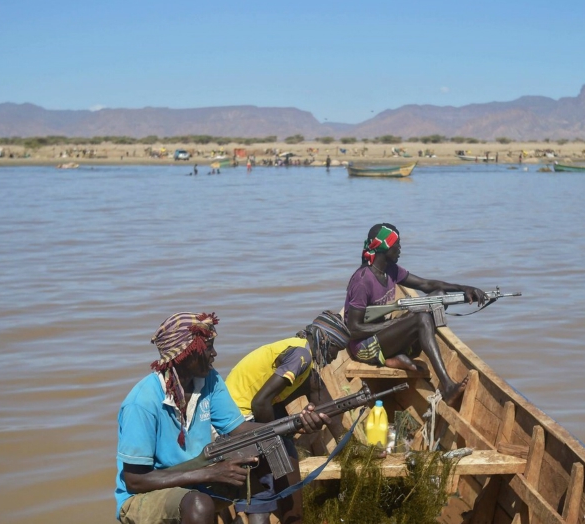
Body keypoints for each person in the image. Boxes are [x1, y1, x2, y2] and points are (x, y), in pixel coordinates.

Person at [115, 311, 328, 524]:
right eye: (208, 348)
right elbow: (136, 481)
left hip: (194, 478)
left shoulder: (209, 380)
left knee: (274, 447)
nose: (214, 354)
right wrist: (209, 473)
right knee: (199, 506)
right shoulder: (142, 403)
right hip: (144, 496)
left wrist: (295, 424)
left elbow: (240, 429)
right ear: (186, 353)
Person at [224, 312, 350, 523]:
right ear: (325, 340)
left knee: (289, 472)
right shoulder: (302, 355)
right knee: (262, 495)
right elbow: (259, 402)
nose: (335, 358)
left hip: (263, 411)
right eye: (336, 350)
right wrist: (276, 441)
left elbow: (328, 408)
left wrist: (348, 446)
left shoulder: (304, 359)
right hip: (239, 417)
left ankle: (292, 516)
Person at [343, 223, 487, 405]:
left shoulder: (390, 270)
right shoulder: (363, 281)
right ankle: (448, 386)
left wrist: (463, 289)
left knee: (438, 297)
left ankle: (395, 358)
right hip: (364, 347)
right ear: (386, 247)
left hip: (381, 336)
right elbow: (353, 329)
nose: (400, 249)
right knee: (421, 318)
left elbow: (426, 285)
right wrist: (393, 324)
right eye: (397, 244)